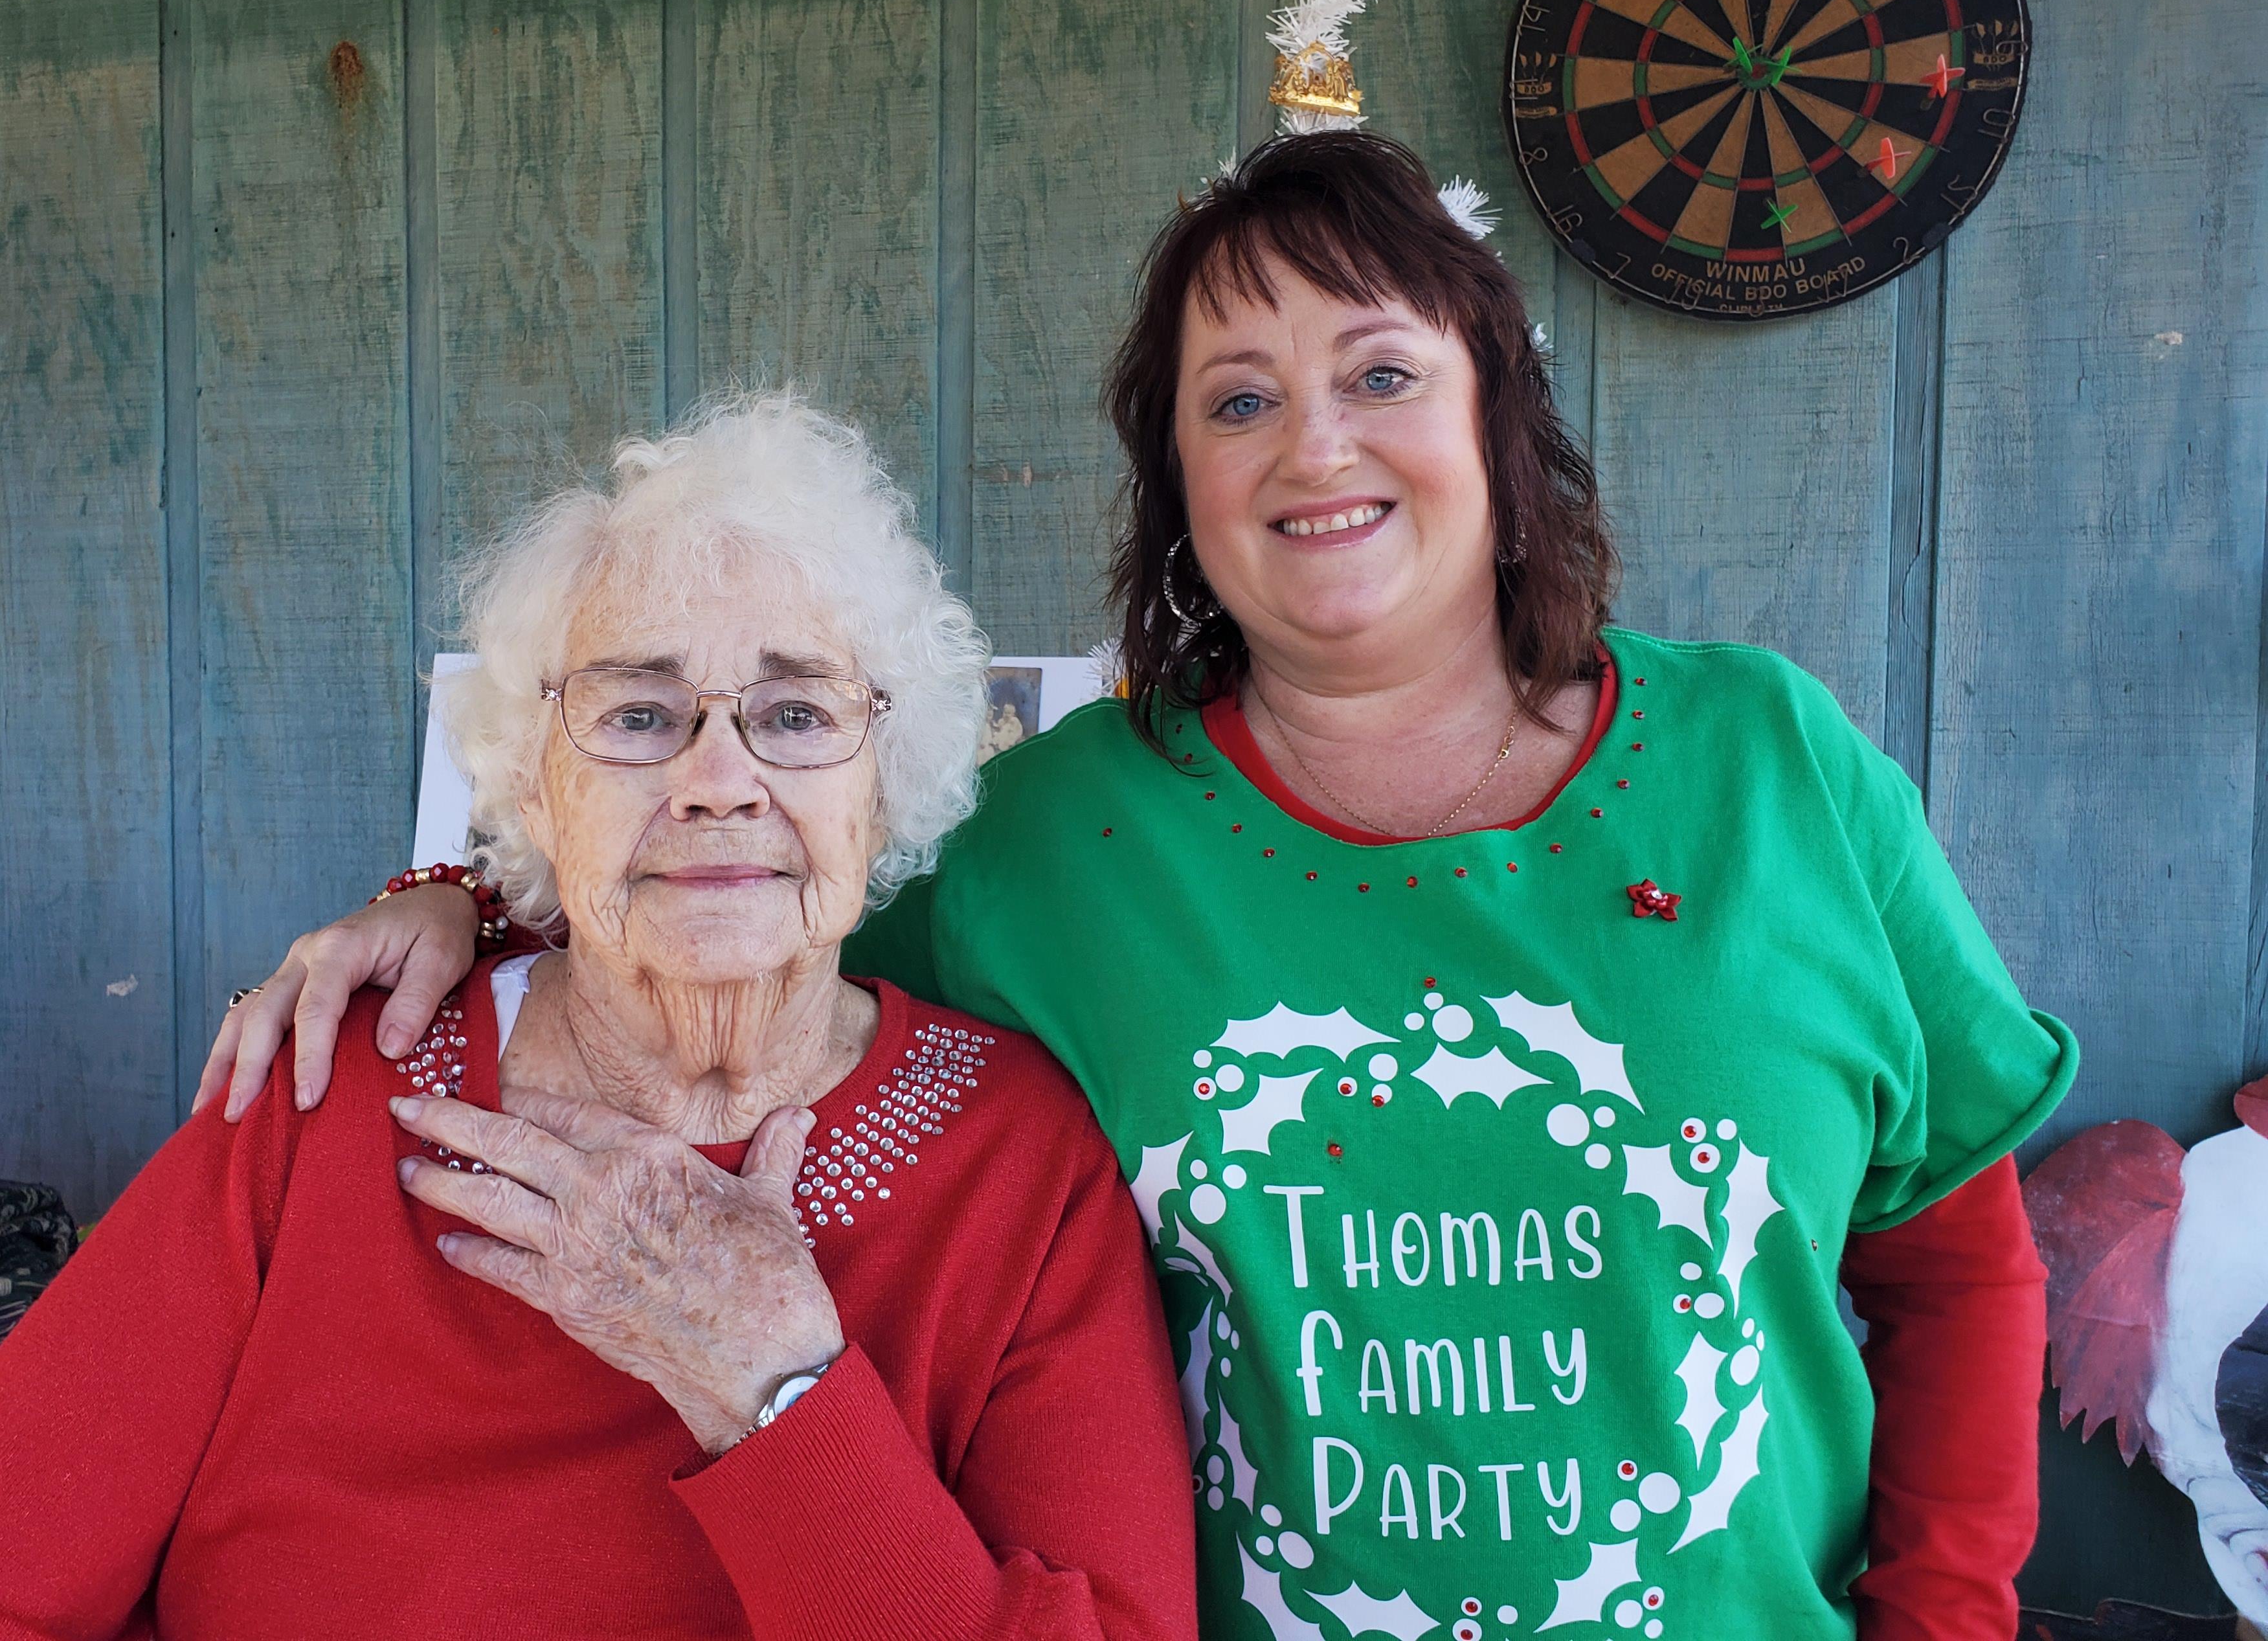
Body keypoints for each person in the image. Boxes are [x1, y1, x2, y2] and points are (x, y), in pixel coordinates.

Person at [207, 132, 2077, 1640]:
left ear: (1495, 410)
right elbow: (726, 894)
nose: (1315, 444)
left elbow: (1959, 1261)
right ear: (1175, 476)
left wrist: (1947, 1619)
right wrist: (459, 893)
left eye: (1379, 373)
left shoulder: (1774, 765)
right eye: (1237, 401)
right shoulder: (1048, 842)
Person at [0, 397, 1195, 1641]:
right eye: (636, 716)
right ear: (531, 790)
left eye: (799, 717)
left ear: (888, 785)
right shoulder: (328, 1084)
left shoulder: (1018, 1165)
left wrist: (774, 1388)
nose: (719, 778)